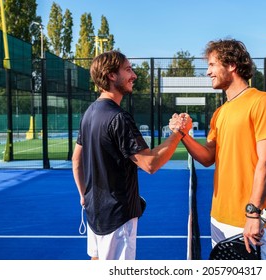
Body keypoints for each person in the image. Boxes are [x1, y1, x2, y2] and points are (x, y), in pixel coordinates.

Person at [72, 50, 191, 260]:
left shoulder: (89, 113)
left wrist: (84, 196)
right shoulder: (119, 118)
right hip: (117, 217)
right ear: (111, 75)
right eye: (128, 70)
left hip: (95, 213)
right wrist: (179, 132)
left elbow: (76, 160)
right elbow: (150, 164)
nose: (134, 75)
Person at [170, 39, 266, 259]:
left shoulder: (262, 101)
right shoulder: (219, 113)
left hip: (246, 218)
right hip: (218, 216)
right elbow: (207, 157)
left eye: (212, 65)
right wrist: (182, 134)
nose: (208, 72)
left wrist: (253, 213)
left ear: (231, 65)